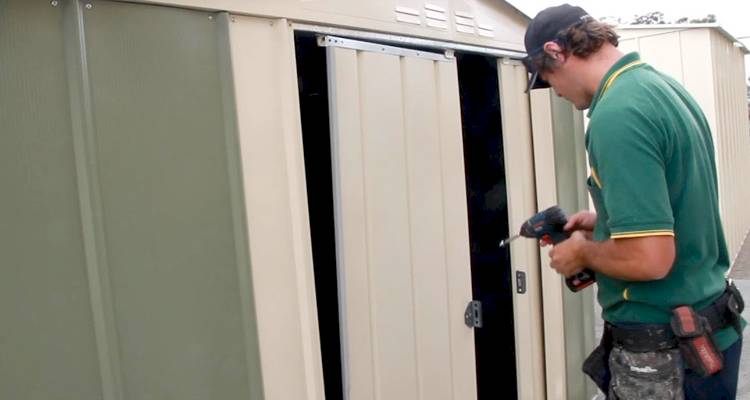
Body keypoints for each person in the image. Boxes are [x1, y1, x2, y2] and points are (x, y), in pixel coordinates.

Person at [523, 4, 745, 399]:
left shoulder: (617, 115)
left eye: (547, 78)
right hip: (708, 330)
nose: (554, 92)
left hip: (666, 354)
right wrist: (605, 222)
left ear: (557, 52)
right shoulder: (660, 87)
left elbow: (650, 259)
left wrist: (581, 254)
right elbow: (677, 203)